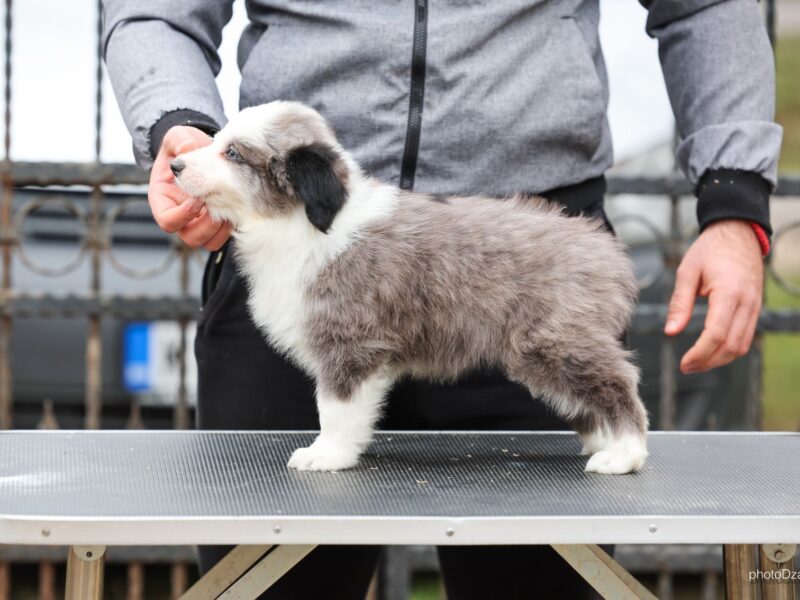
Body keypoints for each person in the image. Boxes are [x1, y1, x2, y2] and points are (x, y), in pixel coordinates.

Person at [103, 1, 781, 598]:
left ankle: (618, 426)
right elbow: (153, 11)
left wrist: (734, 194)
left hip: (521, 249)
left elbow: (705, 6)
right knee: (264, 581)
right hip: (293, 226)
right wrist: (177, 121)